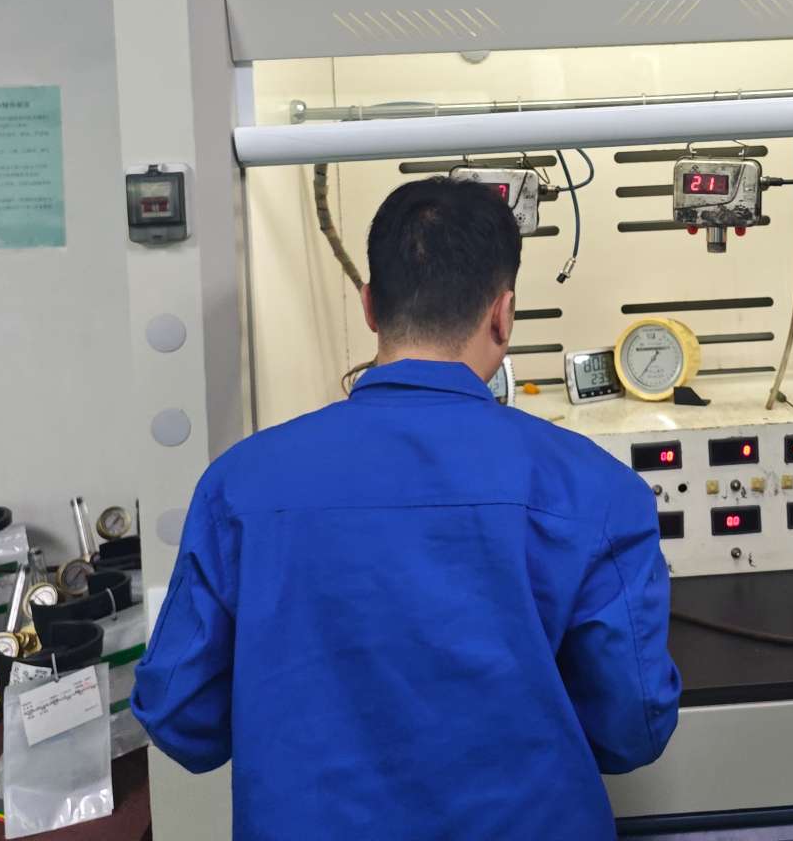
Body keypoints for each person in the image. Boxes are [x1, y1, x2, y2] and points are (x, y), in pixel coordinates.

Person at [133, 177, 680, 838]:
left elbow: (179, 717)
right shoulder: (596, 490)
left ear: (369, 306)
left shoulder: (238, 486)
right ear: (504, 314)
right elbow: (632, 729)